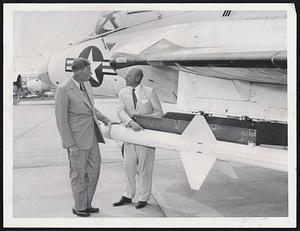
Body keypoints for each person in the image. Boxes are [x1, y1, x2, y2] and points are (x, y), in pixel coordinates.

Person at [54, 57, 111, 217]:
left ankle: (87, 203)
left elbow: (91, 108)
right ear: (79, 71)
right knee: (78, 174)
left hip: (92, 137)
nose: (91, 73)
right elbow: (61, 120)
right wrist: (70, 145)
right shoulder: (64, 90)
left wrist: (105, 118)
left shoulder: (86, 84)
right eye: (88, 70)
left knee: (94, 171)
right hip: (76, 142)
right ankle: (79, 207)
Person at [113, 67, 163, 209]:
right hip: (129, 135)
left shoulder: (150, 92)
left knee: (145, 169)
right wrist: (130, 122)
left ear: (137, 78)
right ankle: (128, 195)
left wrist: (142, 119)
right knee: (128, 168)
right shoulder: (123, 93)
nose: (126, 78)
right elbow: (120, 110)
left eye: (128, 76)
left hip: (145, 137)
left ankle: (143, 197)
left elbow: (159, 113)